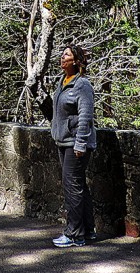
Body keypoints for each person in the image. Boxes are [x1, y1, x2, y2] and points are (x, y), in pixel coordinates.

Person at [40, 44, 97, 248]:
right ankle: (88, 230)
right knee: (78, 185)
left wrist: (80, 144)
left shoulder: (82, 85)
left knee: (72, 187)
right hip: (63, 141)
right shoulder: (63, 82)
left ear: (76, 61)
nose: (62, 57)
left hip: (76, 144)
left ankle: (74, 235)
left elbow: (85, 116)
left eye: (66, 55)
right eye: (62, 54)